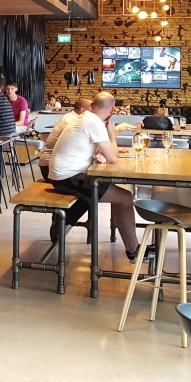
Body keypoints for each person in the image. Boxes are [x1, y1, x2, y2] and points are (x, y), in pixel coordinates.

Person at [48, 92, 142, 261]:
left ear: (91, 105)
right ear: (112, 110)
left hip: (64, 174)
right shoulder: (94, 122)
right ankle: (134, 250)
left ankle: (64, 219)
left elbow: (95, 147)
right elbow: (113, 158)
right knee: (125, 198)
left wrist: (100, 152)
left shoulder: (85, 117)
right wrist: (112, 134)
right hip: (67, 177)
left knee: (113, 194)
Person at [39, 97, 90, 181]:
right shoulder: (73, 122)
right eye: (91, 110)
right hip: (50, 168)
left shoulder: (70, 116)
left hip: (51, 166)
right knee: (95, 182)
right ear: (82, 110)